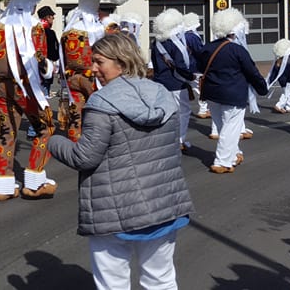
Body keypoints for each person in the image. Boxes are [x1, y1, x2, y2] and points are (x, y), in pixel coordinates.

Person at [48, 34, 193, 289]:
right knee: (161, 279)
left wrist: (54, 141)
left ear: (122, 63)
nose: (93, 68)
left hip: (114, 209)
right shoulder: (163, 95)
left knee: (113, 283)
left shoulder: (102, 103)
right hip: (164, 204)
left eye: (99, 62)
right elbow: (172, 150)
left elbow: (84, 156)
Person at [195, 8, 268, 174]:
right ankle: (222, 161)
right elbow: (252, 72)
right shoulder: (237, 50)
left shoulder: (206, 48)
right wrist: (262, 89)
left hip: (211, 94)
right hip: (233, 94)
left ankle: (234, 154)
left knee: (223, 127)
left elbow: (198, 68)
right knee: (230, 128)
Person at [150, 9, 195, 151]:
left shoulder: (156, 43)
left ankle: (166, 140)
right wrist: (191, 77)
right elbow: (181, 66)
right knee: (183, 112)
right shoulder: (175, 44)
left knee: (166, 113)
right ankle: (179, 140)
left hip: (160, 82)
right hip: (176, 83)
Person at [37, 5, 60, 97]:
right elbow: (55, 50)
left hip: (36, 65)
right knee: (45, 92)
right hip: (47, 65)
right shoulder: (49, 32)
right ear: (47, 17)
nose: (53, 18)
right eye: (52, 17)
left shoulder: (35, 30)